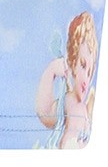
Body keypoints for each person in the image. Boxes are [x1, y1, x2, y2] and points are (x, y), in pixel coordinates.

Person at [35, 11, 98, 149]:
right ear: (73, 63)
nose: (86, 79)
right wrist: (51, 71)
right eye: (82, 65)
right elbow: (45, 114)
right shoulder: (68, 101)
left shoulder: (83, 109)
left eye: (90, 73)